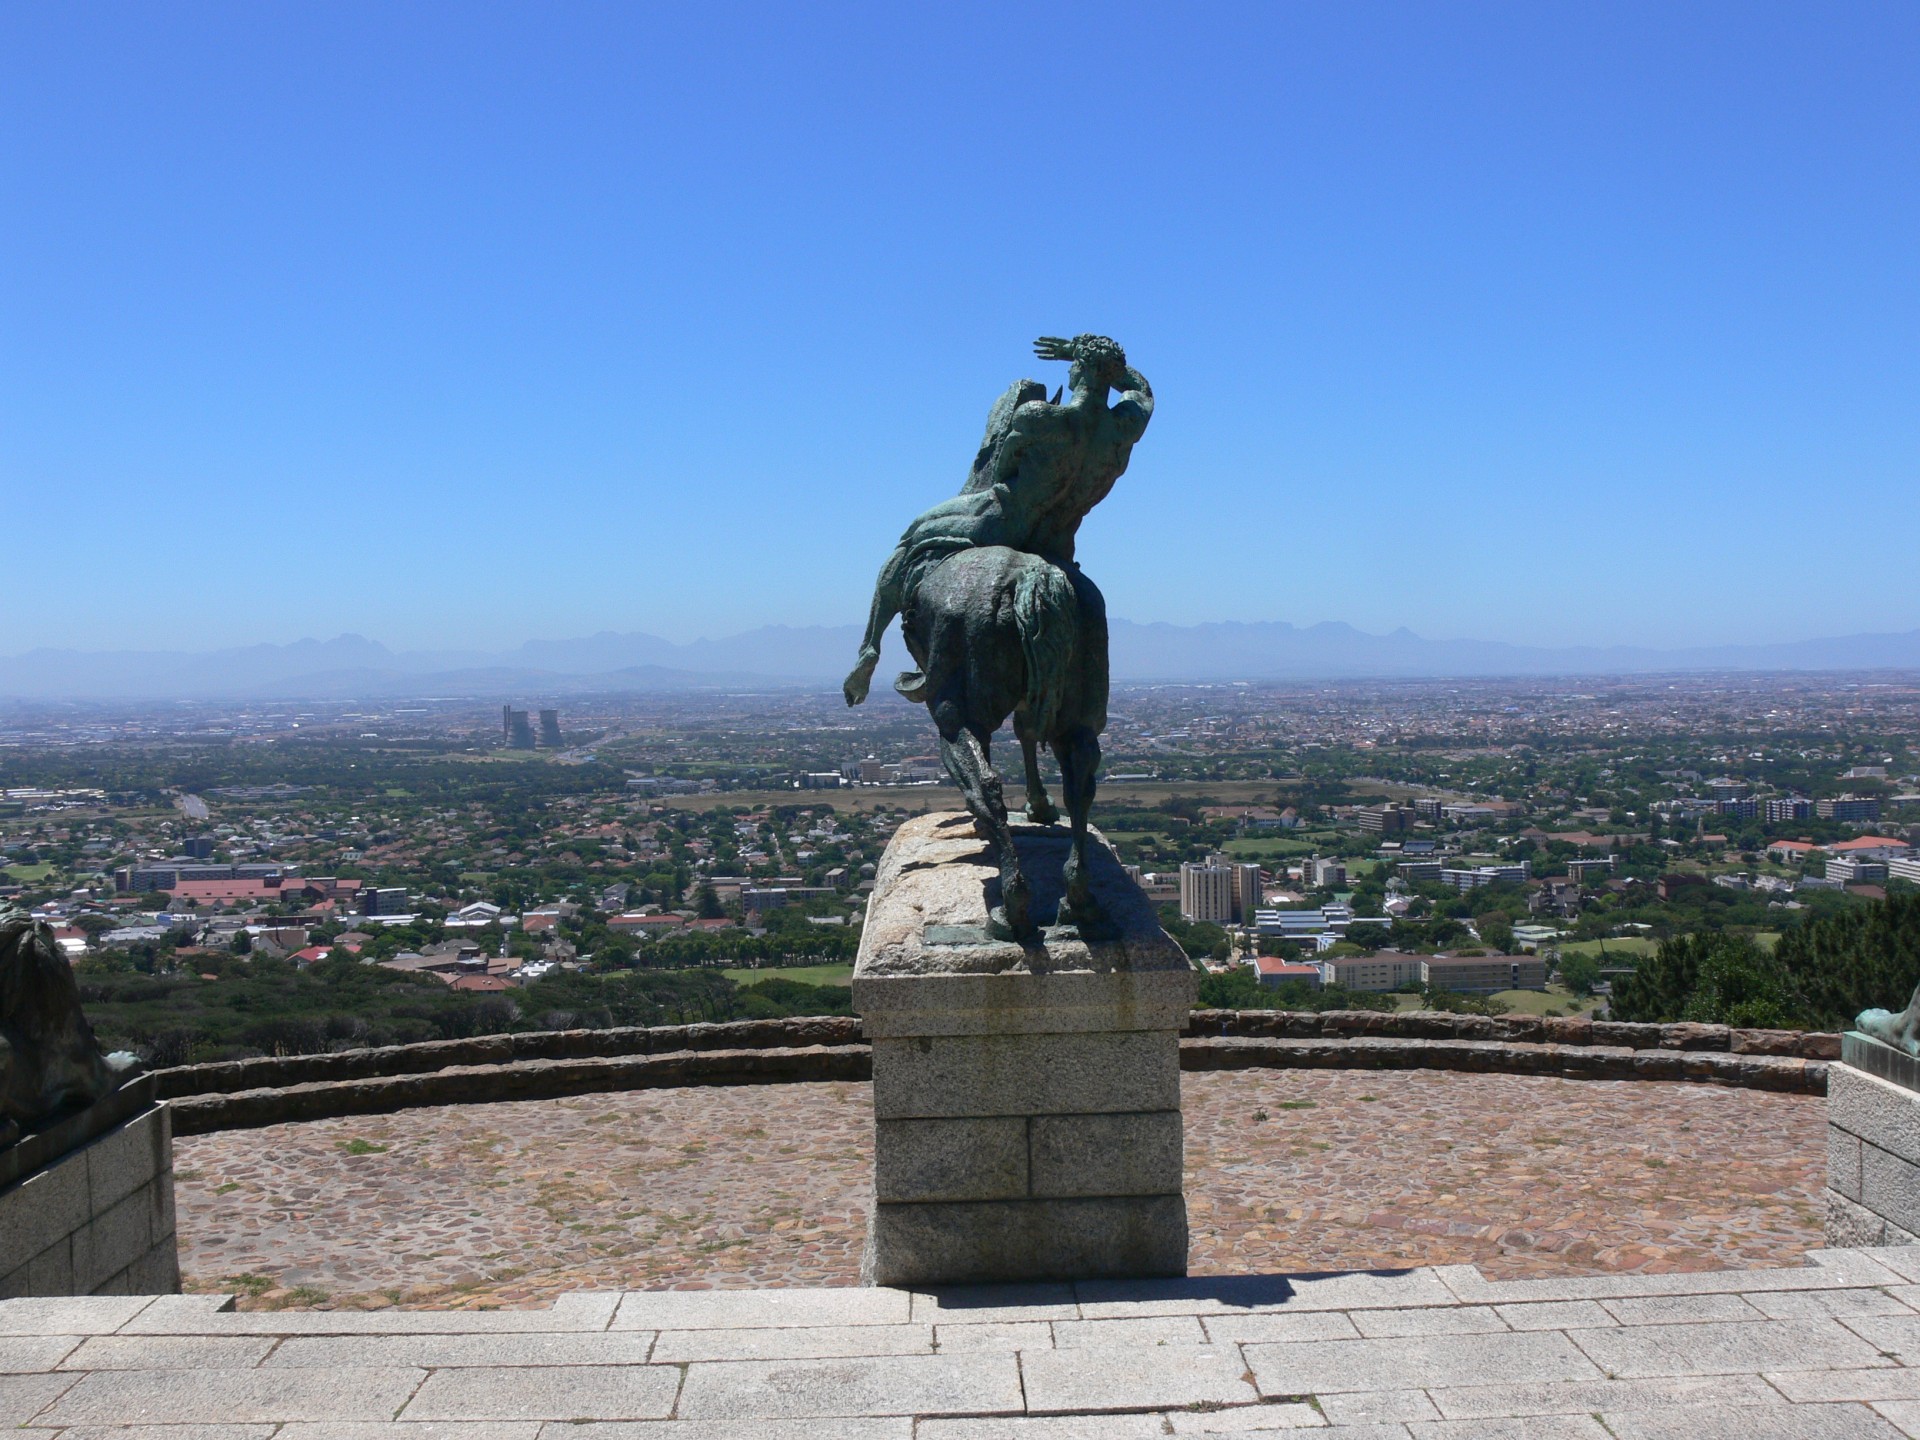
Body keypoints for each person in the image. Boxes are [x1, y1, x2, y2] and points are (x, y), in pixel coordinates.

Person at [844, 334, 1153, 706]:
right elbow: (1140, 389)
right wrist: (1107, 366)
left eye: (1075, 363)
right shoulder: (1123, 429)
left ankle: (869, 650)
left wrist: (1079, 354)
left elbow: (1003, 469)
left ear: (1082, 369)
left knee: (911, 538)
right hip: (1057, 540)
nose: (1069, 368)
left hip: (1000, 520)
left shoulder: (1039, 417)